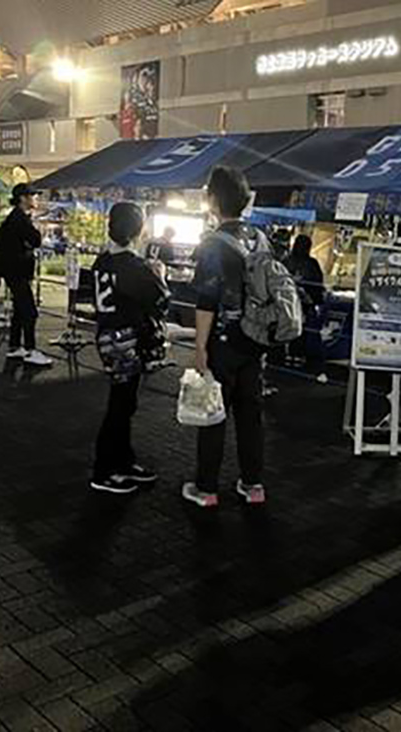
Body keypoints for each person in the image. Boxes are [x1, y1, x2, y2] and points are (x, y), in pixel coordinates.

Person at [185, 166, 269, 508]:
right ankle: (253, 486)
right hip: (255, 341)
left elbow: (207, 302)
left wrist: (199, 348)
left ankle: (206, 490)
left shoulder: (212, 244)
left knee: (213, 414)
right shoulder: (260, 238)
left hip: (224, 343)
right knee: (251, 417)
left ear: (214, 200)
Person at [91, 203, 169, 494]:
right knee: (120, 406)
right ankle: (105, 470)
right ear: (138, 230)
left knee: (123, 403)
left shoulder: (102, 261)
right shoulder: (135, 267)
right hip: (127, 341)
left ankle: (123, 461)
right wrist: (160, 274)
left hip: (107, 337)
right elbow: (161, 303)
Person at [0, 183, 52, 367]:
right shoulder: (19, 218)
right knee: (29, 311)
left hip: (14, 271)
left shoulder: (16, 217)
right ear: (22, 198)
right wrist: (36, 231)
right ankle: (30, 350)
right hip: (17, 271)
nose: (36, 198)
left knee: (20, 310)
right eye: (33, 195)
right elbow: (36, 239)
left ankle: (14, 346)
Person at [286, 234, 327, 383]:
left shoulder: (287, 261)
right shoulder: (311, 263)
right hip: (305, 303)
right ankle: (299, 357)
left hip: (287, 303)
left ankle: (289, 357)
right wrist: (315, 299)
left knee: (288, 328)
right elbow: (318, 284)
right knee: (302, 330)